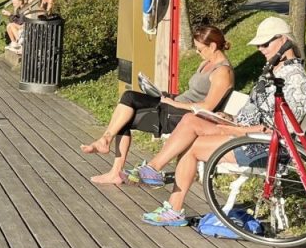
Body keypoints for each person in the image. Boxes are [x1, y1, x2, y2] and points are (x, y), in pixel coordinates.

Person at [138, 16, 306, 227]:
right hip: (244, 131)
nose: (260, 48)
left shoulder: (295, 78)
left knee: (192, 146)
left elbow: (280, 129)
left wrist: (240, 130)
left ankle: (172, 205)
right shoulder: (274, 71)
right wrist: (230, 119)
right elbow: (258, 110)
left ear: (284, 41)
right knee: (189, 120)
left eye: (265, 43)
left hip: (261, 145)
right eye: (259, 44)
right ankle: (154, 170)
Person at [82, 25, 235, 185]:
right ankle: (107, 147)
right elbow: (193, 95)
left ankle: (110, 157)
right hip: (175, 106)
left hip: (182, 116)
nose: (197, 52)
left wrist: (173, 102)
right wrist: (168, 96)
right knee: (127, 100)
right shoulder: (206, 63)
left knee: (125, 114)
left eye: (200, 49)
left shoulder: (222, 72)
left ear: (212, 46)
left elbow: (207, 107)